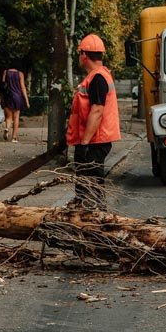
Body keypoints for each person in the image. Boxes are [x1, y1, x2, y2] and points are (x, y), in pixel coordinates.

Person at [66, 34, 121, 207]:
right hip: (93, 140)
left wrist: (84, 143)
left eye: (79, 54)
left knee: (90, 186)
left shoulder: (97, 78)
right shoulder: (98, 76)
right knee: (89, 185)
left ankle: (94, 220)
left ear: (84, 54)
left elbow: (97, 111)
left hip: (93, 142)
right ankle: (92, 217)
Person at [2, 64, 29, 143]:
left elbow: (3, 85)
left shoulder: (5, 72)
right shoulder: (20, 74)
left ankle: (7, 128)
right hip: (17, 97)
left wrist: (0, 98)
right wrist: (27, 100)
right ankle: (14, 137)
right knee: (16, 117)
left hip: (8, 96)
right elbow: (23, 87)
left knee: (8, 117)